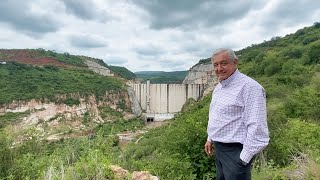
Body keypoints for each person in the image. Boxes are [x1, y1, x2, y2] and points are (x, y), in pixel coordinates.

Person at [204, 48, 269, 180]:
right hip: (219, 149)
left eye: (224, 63)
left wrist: (243, 159)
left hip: (236, 152)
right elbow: (216, 115)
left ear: (235, 62)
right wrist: (210, 138)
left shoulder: (250, 87)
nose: (219, 68)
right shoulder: (219, 88)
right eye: (216, 65)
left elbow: (257, 127)